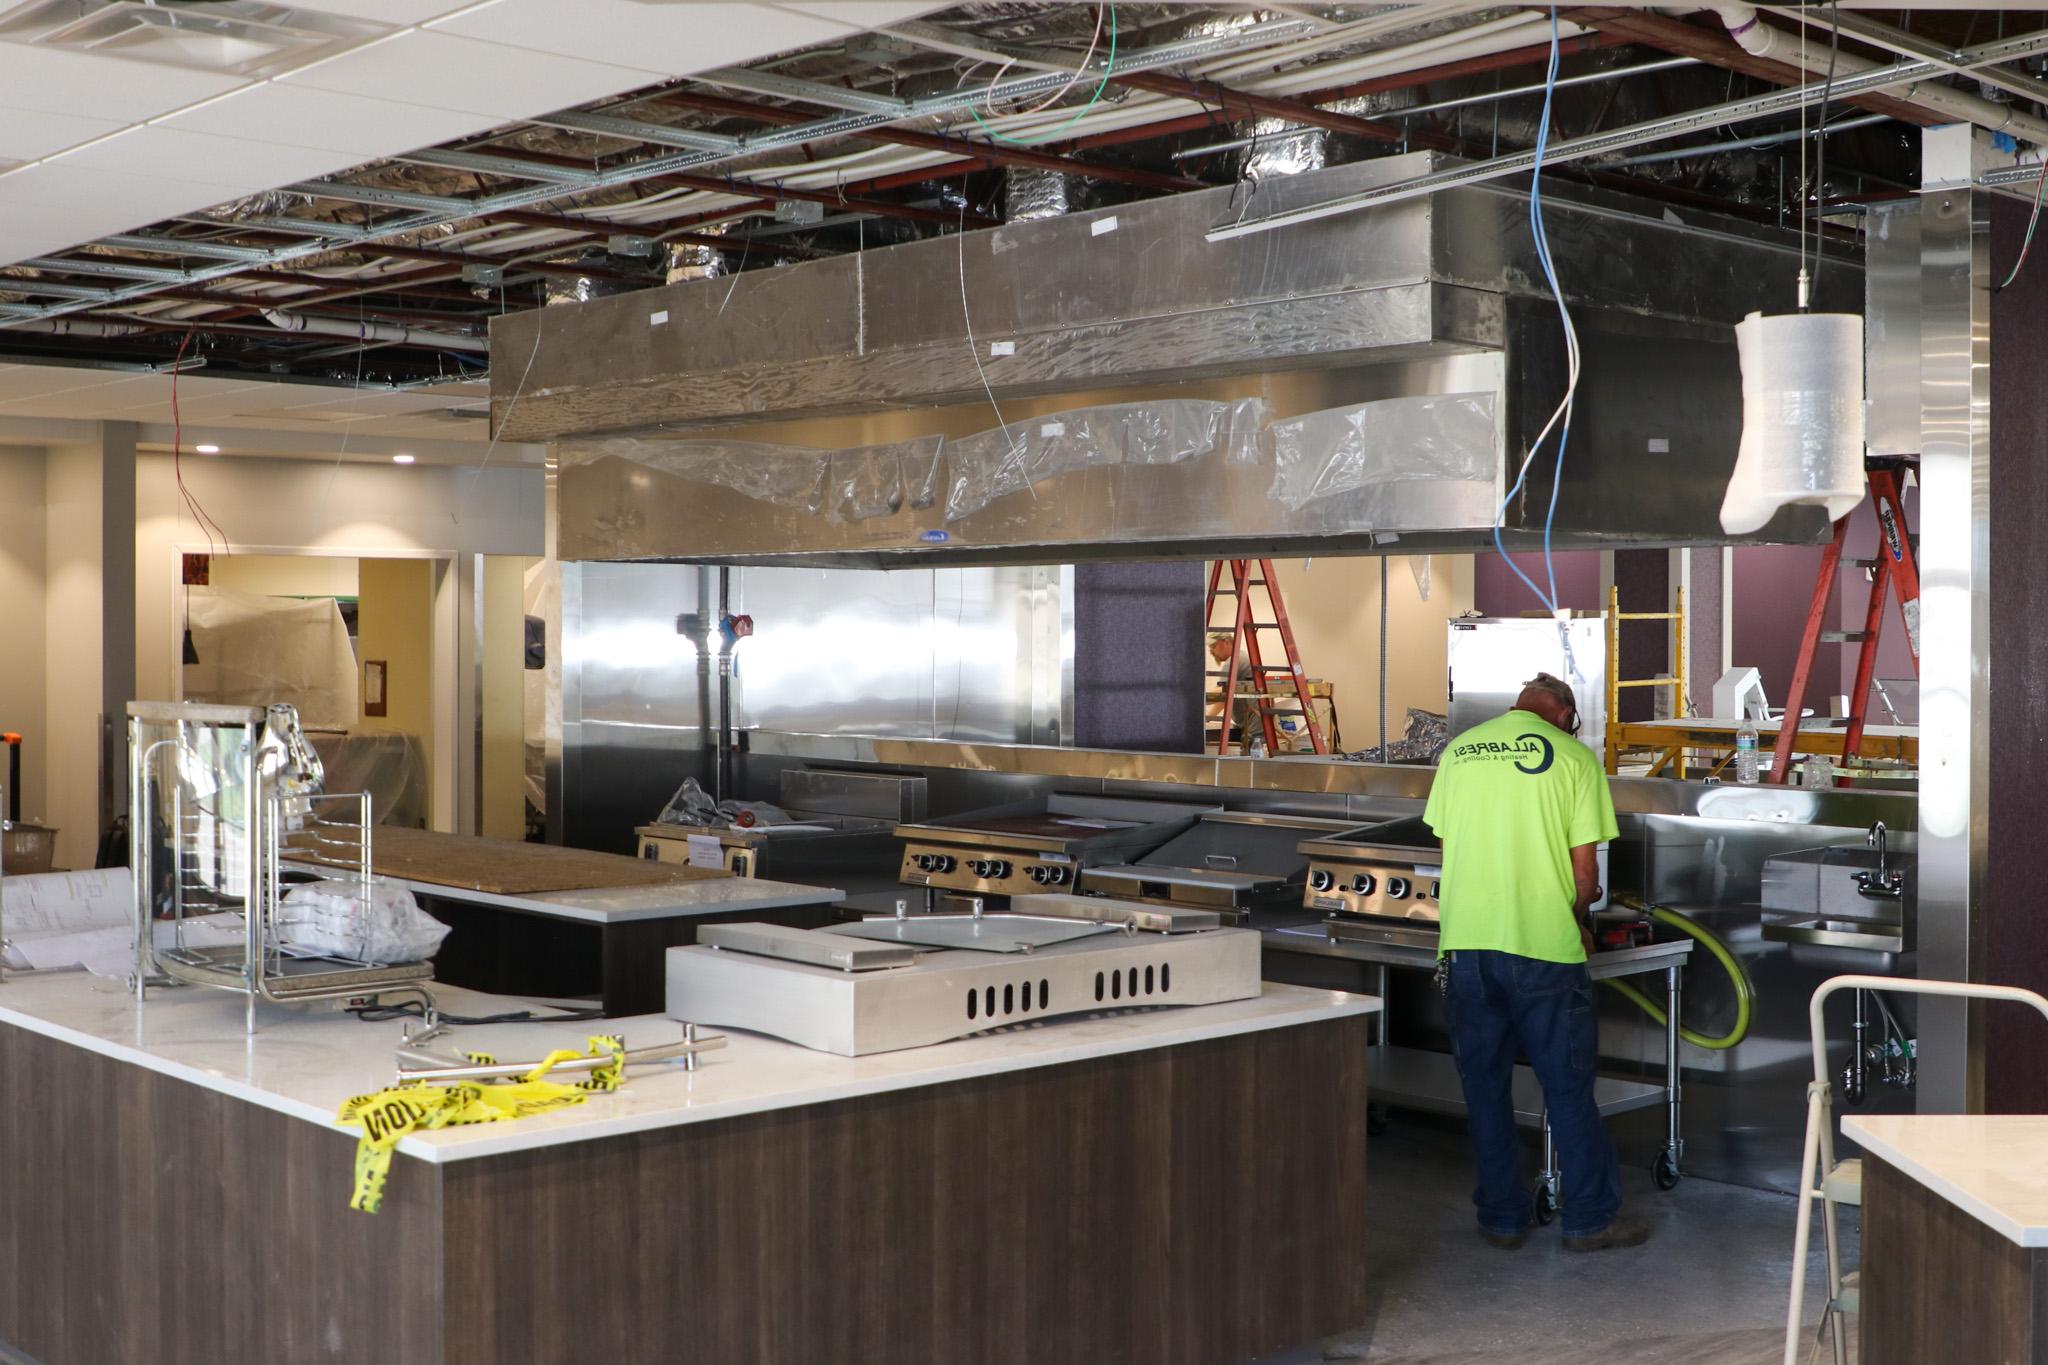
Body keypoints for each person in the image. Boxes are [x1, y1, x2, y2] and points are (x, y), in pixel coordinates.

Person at [1421, 671, 1647, 1253]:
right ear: (1564, 714)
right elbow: (1585, 877)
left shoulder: (1459, 752)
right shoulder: (1574, 759)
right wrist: (1575, 916)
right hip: (1544, 949)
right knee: (1567, 1091)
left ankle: (1500, 1217)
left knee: (1486, 1089)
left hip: (1466, 946)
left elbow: (1449, 851)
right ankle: (1590, 1220)